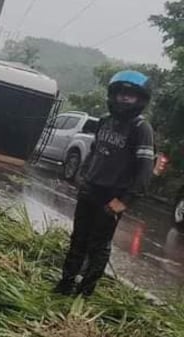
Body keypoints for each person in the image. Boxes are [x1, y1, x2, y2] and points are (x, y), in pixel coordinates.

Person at [54, 70, 155, 297]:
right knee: (78, 239)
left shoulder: (141, 129)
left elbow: (145, 171)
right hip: (90, 190)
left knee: (98, 246)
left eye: (130, 95)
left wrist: (124, 201)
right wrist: (83, 177)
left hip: (112, 199)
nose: (123, 99)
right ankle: (65, 283)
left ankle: (85, 291)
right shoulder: (105, 122)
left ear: (140, 99)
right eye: (120, 94)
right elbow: (94, 152)